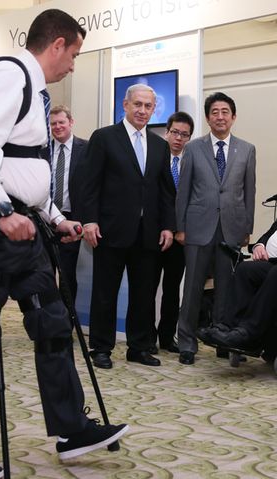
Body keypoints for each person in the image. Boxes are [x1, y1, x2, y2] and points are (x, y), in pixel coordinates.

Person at [0, 9, 128, 479]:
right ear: (56, 44)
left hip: (25, 229)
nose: (75, 64)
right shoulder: (8, 73)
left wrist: (56, 217)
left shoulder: (34, 90)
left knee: (53, 322)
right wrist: (2, 210)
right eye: (75, 53)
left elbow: (24, 166)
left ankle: (70, 429)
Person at [81, 83, 175, 370]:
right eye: (138, 105)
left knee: (144, 295)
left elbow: (165, 191)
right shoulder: (104, 138)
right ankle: (101, 347)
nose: (143, 111)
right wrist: (89, 220)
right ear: (125, 105)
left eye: (148, 106)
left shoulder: (160, 145)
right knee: (105, 293)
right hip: (110, 230)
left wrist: (168, 226)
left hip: (148, 234)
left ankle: (139, 347)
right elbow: (89, 184)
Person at [175, 91, 256, 365]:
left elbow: (249, 192)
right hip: (198, 227)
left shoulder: (247, 149)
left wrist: (248, 227)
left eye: (225, 112)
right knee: (193, 287)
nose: (220, 116)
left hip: (232, 229)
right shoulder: (194, 148)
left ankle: (222, 338)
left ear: (233, 117)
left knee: (227, 288)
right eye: (214, 112)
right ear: (208, 118)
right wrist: (180, 227)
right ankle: (187, 342)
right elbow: (183, 191)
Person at [198, 220, 277, 353]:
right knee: (245, 269)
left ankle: (248, 332)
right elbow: (268, 235)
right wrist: (260, 245)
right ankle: (227, 327)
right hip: (271, 263)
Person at [152, 111, 194, 354]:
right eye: (175, 132)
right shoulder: (154, 157)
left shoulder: (191, 162)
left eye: (184, 134)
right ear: (167, 132)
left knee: (172, 290)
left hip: (181, 238)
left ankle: (167, 337)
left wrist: (182, 230)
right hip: (154, 234)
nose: (179, 138)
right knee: (147, 288)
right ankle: (147, 337)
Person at [47, 104, 87, 302]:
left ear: (71, 122)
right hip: (44, 219)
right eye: (53, 123)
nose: (57, 127)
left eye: (61, 122)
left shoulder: (87, 149)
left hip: (70, 219)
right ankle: (47, 324)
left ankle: (66, 324)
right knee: (44, 275)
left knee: (66, 275)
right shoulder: (42, 150)